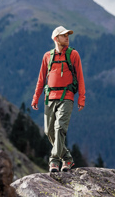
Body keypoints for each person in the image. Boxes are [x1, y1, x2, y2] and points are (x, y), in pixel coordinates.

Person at [31, 26, 86, 172]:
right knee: (49, 131)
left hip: (67, 96)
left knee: (60, 128)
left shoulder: (73, 54)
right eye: (63, 35)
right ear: (56, 39)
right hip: (49, 97)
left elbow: (80, 77)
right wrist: (36, 97)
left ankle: (54, 161)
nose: (67, 37)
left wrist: (82, 97)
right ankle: (67, 159)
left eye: (68, 35)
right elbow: (41, 79)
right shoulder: (47, 56)